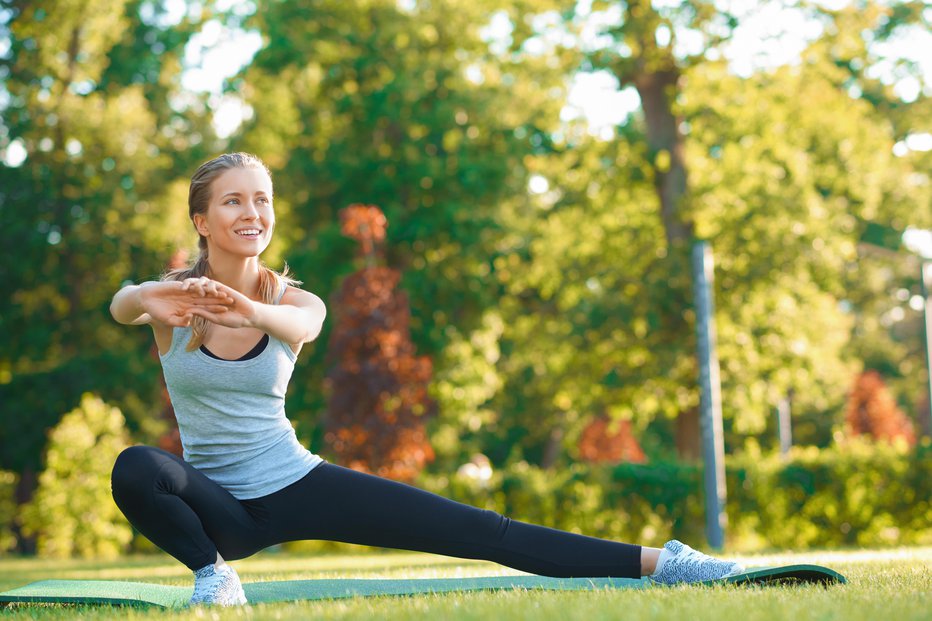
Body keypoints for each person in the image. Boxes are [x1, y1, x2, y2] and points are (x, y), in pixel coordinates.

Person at [109, 152, 744, 607]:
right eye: (234, 200)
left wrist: (245, 308)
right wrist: (146, 294)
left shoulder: (295, 304)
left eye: (262, 198)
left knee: (480, 531)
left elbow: (297, 327)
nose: (253, 212)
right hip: (214, 508)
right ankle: (214, 577)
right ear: (202, 220)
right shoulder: (175, 304)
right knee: (136, 467)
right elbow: (121, 304)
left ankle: (667, 563)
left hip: (294, 483)